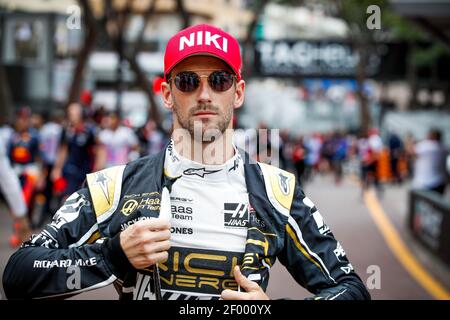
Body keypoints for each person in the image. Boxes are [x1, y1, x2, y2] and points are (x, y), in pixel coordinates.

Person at [3, 24, 370, 300]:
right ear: (167, 93)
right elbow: (18, 273)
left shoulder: (277, 192)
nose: (205, 94)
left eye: (220, 80)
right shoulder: (114, 187)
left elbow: (352, 288)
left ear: (238, 92)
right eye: (189, 81)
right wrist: (113, 255)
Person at [412, 129, 447, 195]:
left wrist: (413, 142)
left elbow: (411, 151)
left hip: (425, 183)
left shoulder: (426, 146)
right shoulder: (444, 147)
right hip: (440, 181)